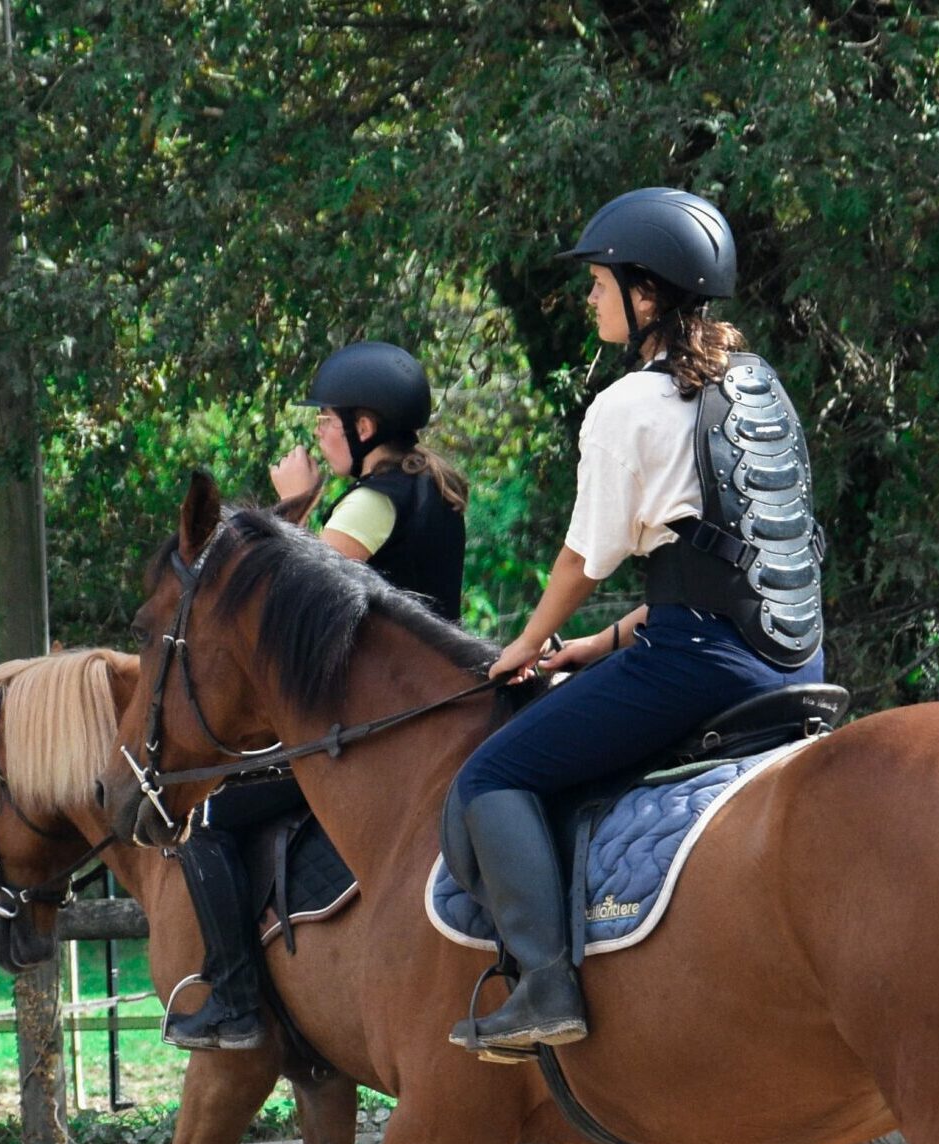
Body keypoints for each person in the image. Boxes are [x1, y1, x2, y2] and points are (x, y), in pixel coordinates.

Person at [442, 187, 827, 1060]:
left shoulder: (626, 406)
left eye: (600, 282)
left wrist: (524, 644)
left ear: (645, 294)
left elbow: (584, 560)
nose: (589, 298)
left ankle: (543, 986)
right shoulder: (755, 388)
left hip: (699, 664)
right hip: (796, 663)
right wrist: (598, 647)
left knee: (489, 778)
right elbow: (723, 563)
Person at [165, 342, 469, 1049]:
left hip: (365, 729)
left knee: (209, 820)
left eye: (328, 420)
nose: (318, 433)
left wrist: (291, 506)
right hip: (427, 710)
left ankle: (236, 998)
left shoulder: (367, 503)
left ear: (366, 425)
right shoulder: (437, 491)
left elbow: (289, 608)